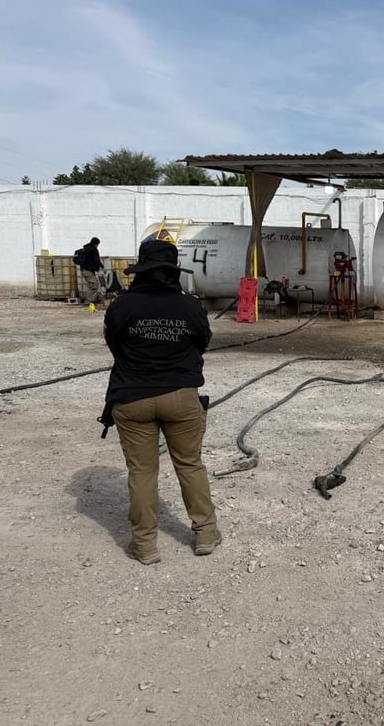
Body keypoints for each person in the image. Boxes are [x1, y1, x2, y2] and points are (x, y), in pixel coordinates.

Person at [100, 239, 220, 565]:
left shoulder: (122, 306)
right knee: (190, 465)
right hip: (181, 396)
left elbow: (114, 344)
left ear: (141, 270)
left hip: (132, 397)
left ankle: (145, 546)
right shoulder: (190, 307)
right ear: (172, 272)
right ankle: (206, 535)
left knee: (142, 472)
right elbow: (202, 342)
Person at [78, 237, 105, 306]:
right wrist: (102, 267)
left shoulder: (85, 249)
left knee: (93, 284)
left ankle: (94, 299)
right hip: (88, 270)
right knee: (94, 285)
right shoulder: (93, 249)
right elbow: (96, 260)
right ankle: (89, 301)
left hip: (84, 270)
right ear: (96, 244)